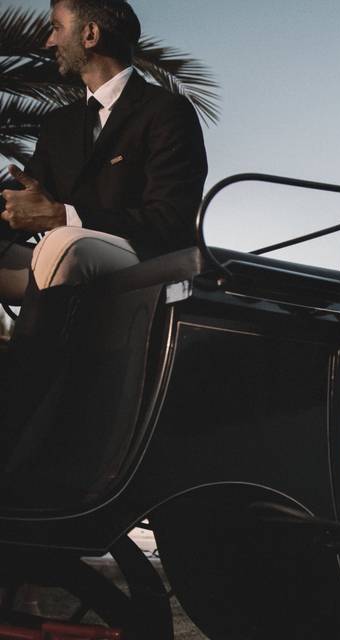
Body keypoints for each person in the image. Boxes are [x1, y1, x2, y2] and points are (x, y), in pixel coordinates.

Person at [0, 0, 207, 450]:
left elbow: (168, 221)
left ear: (90, 35)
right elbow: (28, 201)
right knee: (58, 245)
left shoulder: (167, 112)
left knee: (61, 243)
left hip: (145, 260)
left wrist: (61, 216)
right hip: (66, 259)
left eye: (57, 28)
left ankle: (12, 429)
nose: (48, 41)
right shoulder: (59, 125)